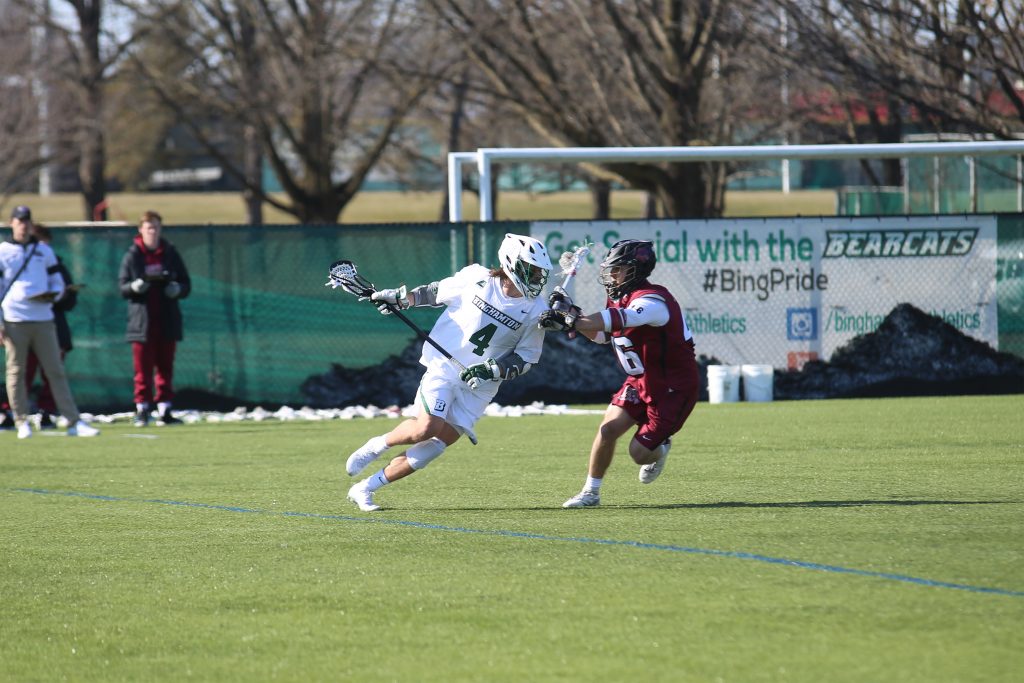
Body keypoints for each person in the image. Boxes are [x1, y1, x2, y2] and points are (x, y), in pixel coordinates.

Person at [344, 233, 553, 511]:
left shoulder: (538, 310)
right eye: (531, 269)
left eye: (539, 271)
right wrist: (400, 299)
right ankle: (377, 445)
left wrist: (490, 370)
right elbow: (433, 292)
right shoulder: (476, 278)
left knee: (435, 446)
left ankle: (365, 488)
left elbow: (526, 358)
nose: (537, 277)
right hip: (444, 366)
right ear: (510, 263)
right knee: (426, 428)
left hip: (480, 385)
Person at [539, 239, 698, 508]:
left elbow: (623, 319)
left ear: (636, 269)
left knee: (639, 453)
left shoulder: (653, 300)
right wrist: (570, 312)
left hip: (672, 388)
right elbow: (602, 336)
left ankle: (660, 447)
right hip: (640, 380)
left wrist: (572, 320)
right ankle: (591, 493)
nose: (611, 275)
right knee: (607, 429)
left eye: (618, 269)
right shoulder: (619, 297)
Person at [0, 205, 99, 439]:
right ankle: (21, 420)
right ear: (12, 223)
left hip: (43, 318)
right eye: (19, 221)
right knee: (16, 371)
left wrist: (53, 294)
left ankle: (73, 421)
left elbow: (56, 280)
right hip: (15, 319)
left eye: (27, 221)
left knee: (55, 370)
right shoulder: (3, 251)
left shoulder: (43, 250)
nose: (24, 226)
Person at [118, 210, 191, 426]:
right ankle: (142, 409)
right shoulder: (133, 255)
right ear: (141, 230)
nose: (153, 231)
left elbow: (186, 284)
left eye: (156, 227)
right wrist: (135, 286)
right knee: (142, 370)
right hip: (142, 323)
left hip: (166, 320)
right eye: (149, 227)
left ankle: (164, 409)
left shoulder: (170, 253)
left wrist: (176, 289)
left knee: (165, 368)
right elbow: (122, 287)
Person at [24, 223, 78, 429]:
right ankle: (13, 412)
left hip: (53, 327)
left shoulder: (57, 266)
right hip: (27, 325)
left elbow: (69, 300)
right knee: (22, 372)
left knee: (53, 373)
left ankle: (47, 411)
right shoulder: (23, 265)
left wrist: (59, 295)